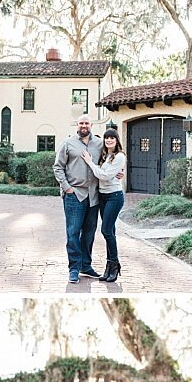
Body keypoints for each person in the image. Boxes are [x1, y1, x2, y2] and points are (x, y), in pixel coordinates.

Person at [53, 116, 104, 285]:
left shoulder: (99, 143)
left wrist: (119, 172)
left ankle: (86, 266)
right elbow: (58, 167)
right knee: (73, 232)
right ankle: (74, 268)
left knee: (89, 232)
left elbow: (106, 162)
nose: (84, 125)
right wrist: (67, 188)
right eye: (81, 123)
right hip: (75, 194)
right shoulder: (68, 143)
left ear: (91, 125)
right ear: (77, 125)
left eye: (87, 123)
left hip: (94, 195)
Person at [82, 125, 126, 283]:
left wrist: (89, 163)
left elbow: (105, 176)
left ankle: (114, 265)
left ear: (116, 140)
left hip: (114, 197)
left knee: (106, 231)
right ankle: (109, 267)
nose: (108, 140)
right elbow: (104, 174)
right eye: (106, 138)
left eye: (112, 138)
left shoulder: (119, 156)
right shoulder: (104, 156)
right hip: (103, 196)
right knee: (110, 232)